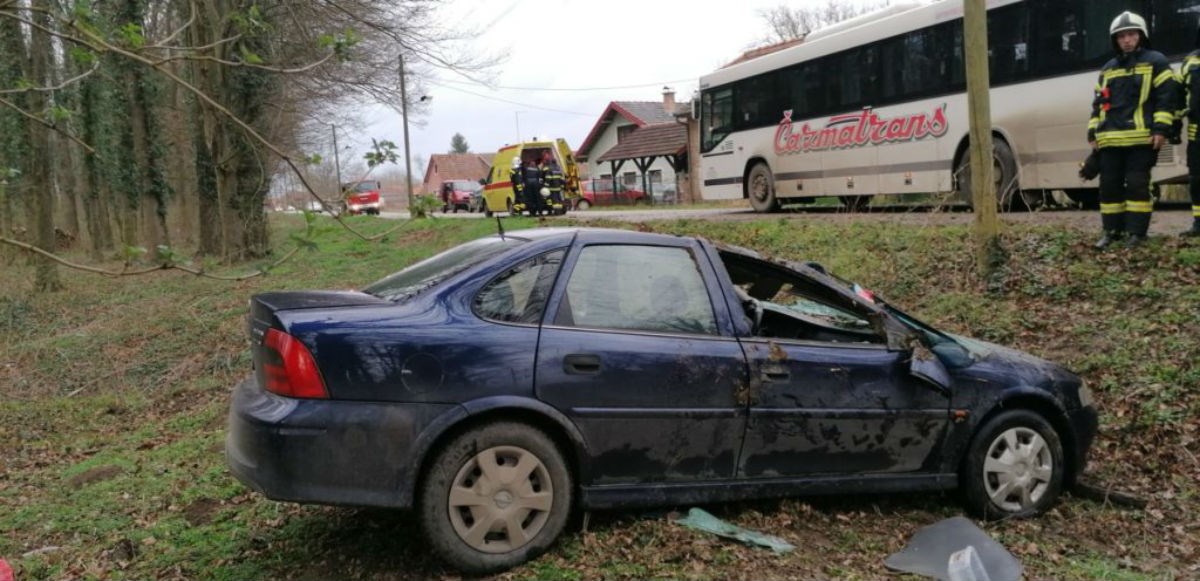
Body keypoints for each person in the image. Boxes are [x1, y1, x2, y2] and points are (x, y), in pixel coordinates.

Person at [1087, 11, 1179, 249]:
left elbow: (1166, 99)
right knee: (1109, 187)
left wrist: (1161, 130)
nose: (1126, 40)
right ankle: (1111, 232)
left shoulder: (1156, 62)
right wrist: (1093, 133)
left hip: (1142, 140)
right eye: (1121, 36)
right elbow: (1098, 104)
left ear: (1141, 36)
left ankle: (1137, 234)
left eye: (1131, 35)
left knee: (1138, 185)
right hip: (1109, 140)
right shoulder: (1108, 68)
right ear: (1115, 40)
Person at [1180, 25, 1200, 237]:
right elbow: (1178, 94)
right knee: (1196, 180)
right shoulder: (1190, 61)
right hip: (1197, 136)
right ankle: (1198, 223)